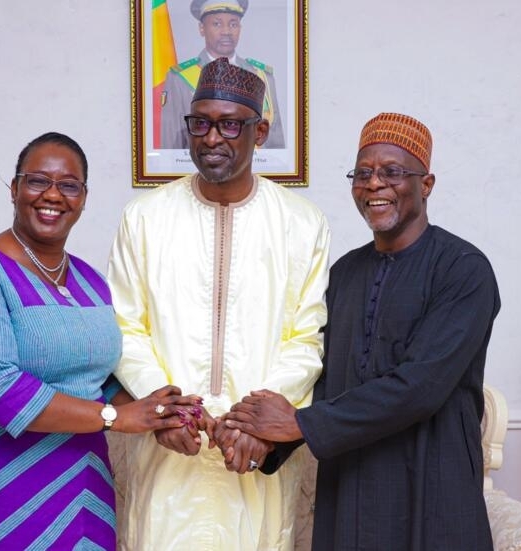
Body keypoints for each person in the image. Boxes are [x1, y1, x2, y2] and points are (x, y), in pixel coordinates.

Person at [225, 113, 501, 550]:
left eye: (392, 172)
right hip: (351, 492)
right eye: (364, 173)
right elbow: (323, 378)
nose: (374, 184)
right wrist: (262, 439)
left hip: (433, 487)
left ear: (426, 184)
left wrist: (296, 422)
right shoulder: (344, 273)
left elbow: (420, 387)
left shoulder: (463, 270)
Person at [0, 132, 202, 550]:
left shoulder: (91, 282)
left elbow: (101, 378)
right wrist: (116, 419)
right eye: (38, 181)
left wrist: (161, 411)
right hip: (8, 488)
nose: (53, 195)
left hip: (87, 484)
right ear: (15, 189)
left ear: (83, 197)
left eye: (69, 185)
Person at [108, 58, 330, 550]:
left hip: (252, 454)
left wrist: (254, 424)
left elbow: (306, 338)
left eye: (231, 124)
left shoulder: (302, 223)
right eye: (201, 123)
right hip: (169, 452)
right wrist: (166, 410)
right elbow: (125, 327)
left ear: (261, 130)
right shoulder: (144, 218)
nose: (212, 138)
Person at [159, 0, 286, 150]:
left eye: (233, 24)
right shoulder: (180, 79)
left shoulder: (262, 76)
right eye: (217, 24)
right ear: (201, 28)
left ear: (240, 28)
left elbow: (276, 147)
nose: (226, 31)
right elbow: (170, 148)